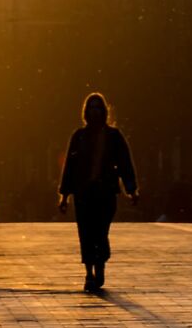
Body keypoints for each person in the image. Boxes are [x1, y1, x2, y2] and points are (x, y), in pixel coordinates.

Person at [59, 91, 139, 292]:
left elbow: (124, 163)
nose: (95, 112)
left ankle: (100, 265)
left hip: (105, 192)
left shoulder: (113, 136)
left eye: (98, 108)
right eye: (91, 108)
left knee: (101, 232)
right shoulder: (79, 137)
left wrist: (132, 189)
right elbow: (70, 165)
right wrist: (64, 195)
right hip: (84, 193)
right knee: (85, 232)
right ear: (86, 112)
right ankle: (89, 273)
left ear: (104, 112)